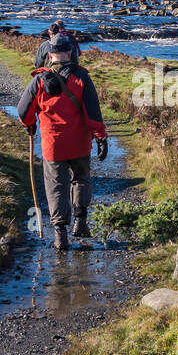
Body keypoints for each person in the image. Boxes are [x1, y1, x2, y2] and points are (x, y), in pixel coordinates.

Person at [18, 40, 107, 250]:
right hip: (79, 144)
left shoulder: (39, 80)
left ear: (50, 54)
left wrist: (30, 124)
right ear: (69, 53)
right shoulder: (81, 77)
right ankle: (80, 221)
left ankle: (60, 235)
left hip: (53, 146)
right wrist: (101, 137)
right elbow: (93, 112)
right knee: (81, 180)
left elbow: (23, 112)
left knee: (56, 187)